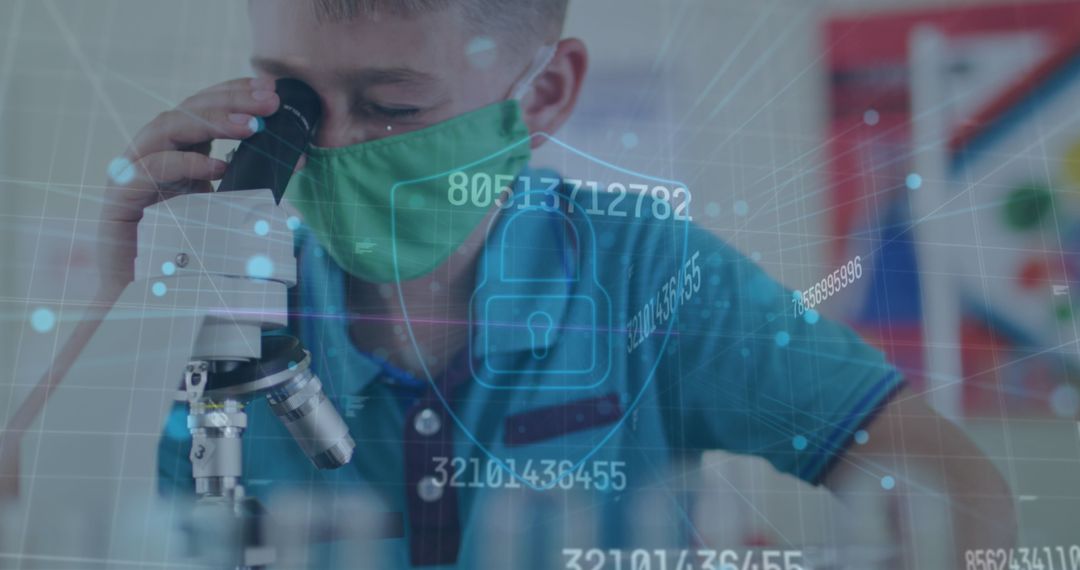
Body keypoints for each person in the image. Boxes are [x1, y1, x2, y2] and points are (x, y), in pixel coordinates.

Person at [96, 0, 1015, 567]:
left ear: (540, 96)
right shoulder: (224, 289)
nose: (329, 146)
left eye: (394, 107)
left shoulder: (652, 277)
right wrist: (119, 301)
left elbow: (958, 485)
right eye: (292, 101)